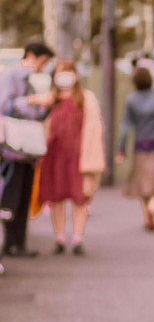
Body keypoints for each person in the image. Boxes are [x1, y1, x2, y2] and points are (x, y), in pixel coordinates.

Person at [37, 61, 105, 255]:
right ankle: (59, 237)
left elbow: (95, 127)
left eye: (67, 72)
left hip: (78, 155)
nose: (64, 77)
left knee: (80, 197)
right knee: (56, 197)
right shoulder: (51, 99)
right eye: (60, 73)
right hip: (54, 155)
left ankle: (77, 238)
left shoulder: (85, 98)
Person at [0, 40, 55, 257]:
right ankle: (10, 243)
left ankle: (19, 242)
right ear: (32, 55)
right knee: (11, 198)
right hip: (13, 150)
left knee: (24, 198)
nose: (43, 66)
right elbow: (5, 106)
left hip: (28, 149)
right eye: (43, 61)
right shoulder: (11, 75)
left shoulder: (34, 79)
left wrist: (46, 105)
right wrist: (32, 100)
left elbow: (37, 114)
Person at [115, 67, 154, 231]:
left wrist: (121, 149)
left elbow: (125, 126)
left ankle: (146, 214)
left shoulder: (131, 100)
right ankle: (153, 206)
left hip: (141, 144)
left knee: (143, 182)